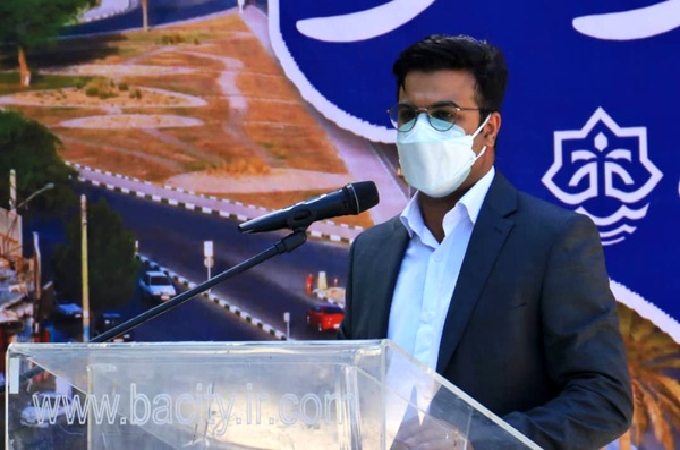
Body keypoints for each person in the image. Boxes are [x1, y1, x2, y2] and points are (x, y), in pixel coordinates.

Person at [337, 34, 633, 450]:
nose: (421, 131)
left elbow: (604, 399)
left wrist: (474, 442)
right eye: (408, 115)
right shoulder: (371, 251)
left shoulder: (551, 240)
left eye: (444, 115)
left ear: (489, 129)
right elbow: (348, 387)